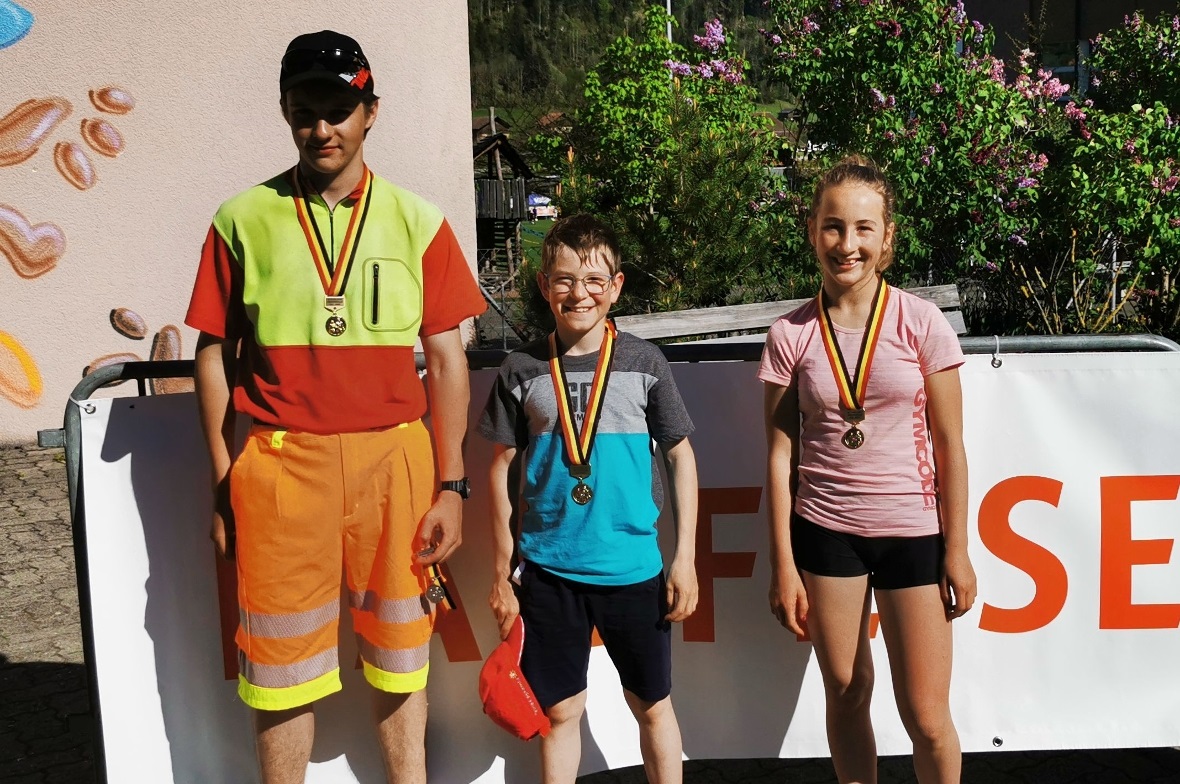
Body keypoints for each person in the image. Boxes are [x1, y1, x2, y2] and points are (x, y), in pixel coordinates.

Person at [185, 30, 485, 784]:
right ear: (287, 114)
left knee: (400, 658)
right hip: (283, 465)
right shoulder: (240, 219)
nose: (321, 128)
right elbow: (214, 354)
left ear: (370, 111)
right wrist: (224, 480)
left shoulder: (418, 219)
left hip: (396, 461)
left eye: (338, 110)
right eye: (304, 111)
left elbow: (448, 360)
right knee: (281, 670)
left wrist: (452, 486)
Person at [760, 156, 977, 783]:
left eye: (862, 228)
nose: (846, 244)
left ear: (886, 237)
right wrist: (782, 563)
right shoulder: (790, 335)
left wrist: (956, 550)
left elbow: (950, 444)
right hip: (826, 534)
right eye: (832, 227)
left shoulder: (920, 322)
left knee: (926, 717)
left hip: (912, 533)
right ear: (812, 231)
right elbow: (779, 456)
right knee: (849, 694)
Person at [479, 214, 699, 784]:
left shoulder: (645, 363)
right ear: (543, 283)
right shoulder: (521, 369)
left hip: (632, 568)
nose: (580, 293)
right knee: (560, 712)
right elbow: (500, 468)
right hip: (550, 570)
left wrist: (685, 558)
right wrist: (502, 565)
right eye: (564, 279)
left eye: (595, 280)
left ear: (617, 286)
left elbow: (680, 455)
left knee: (652, 704)